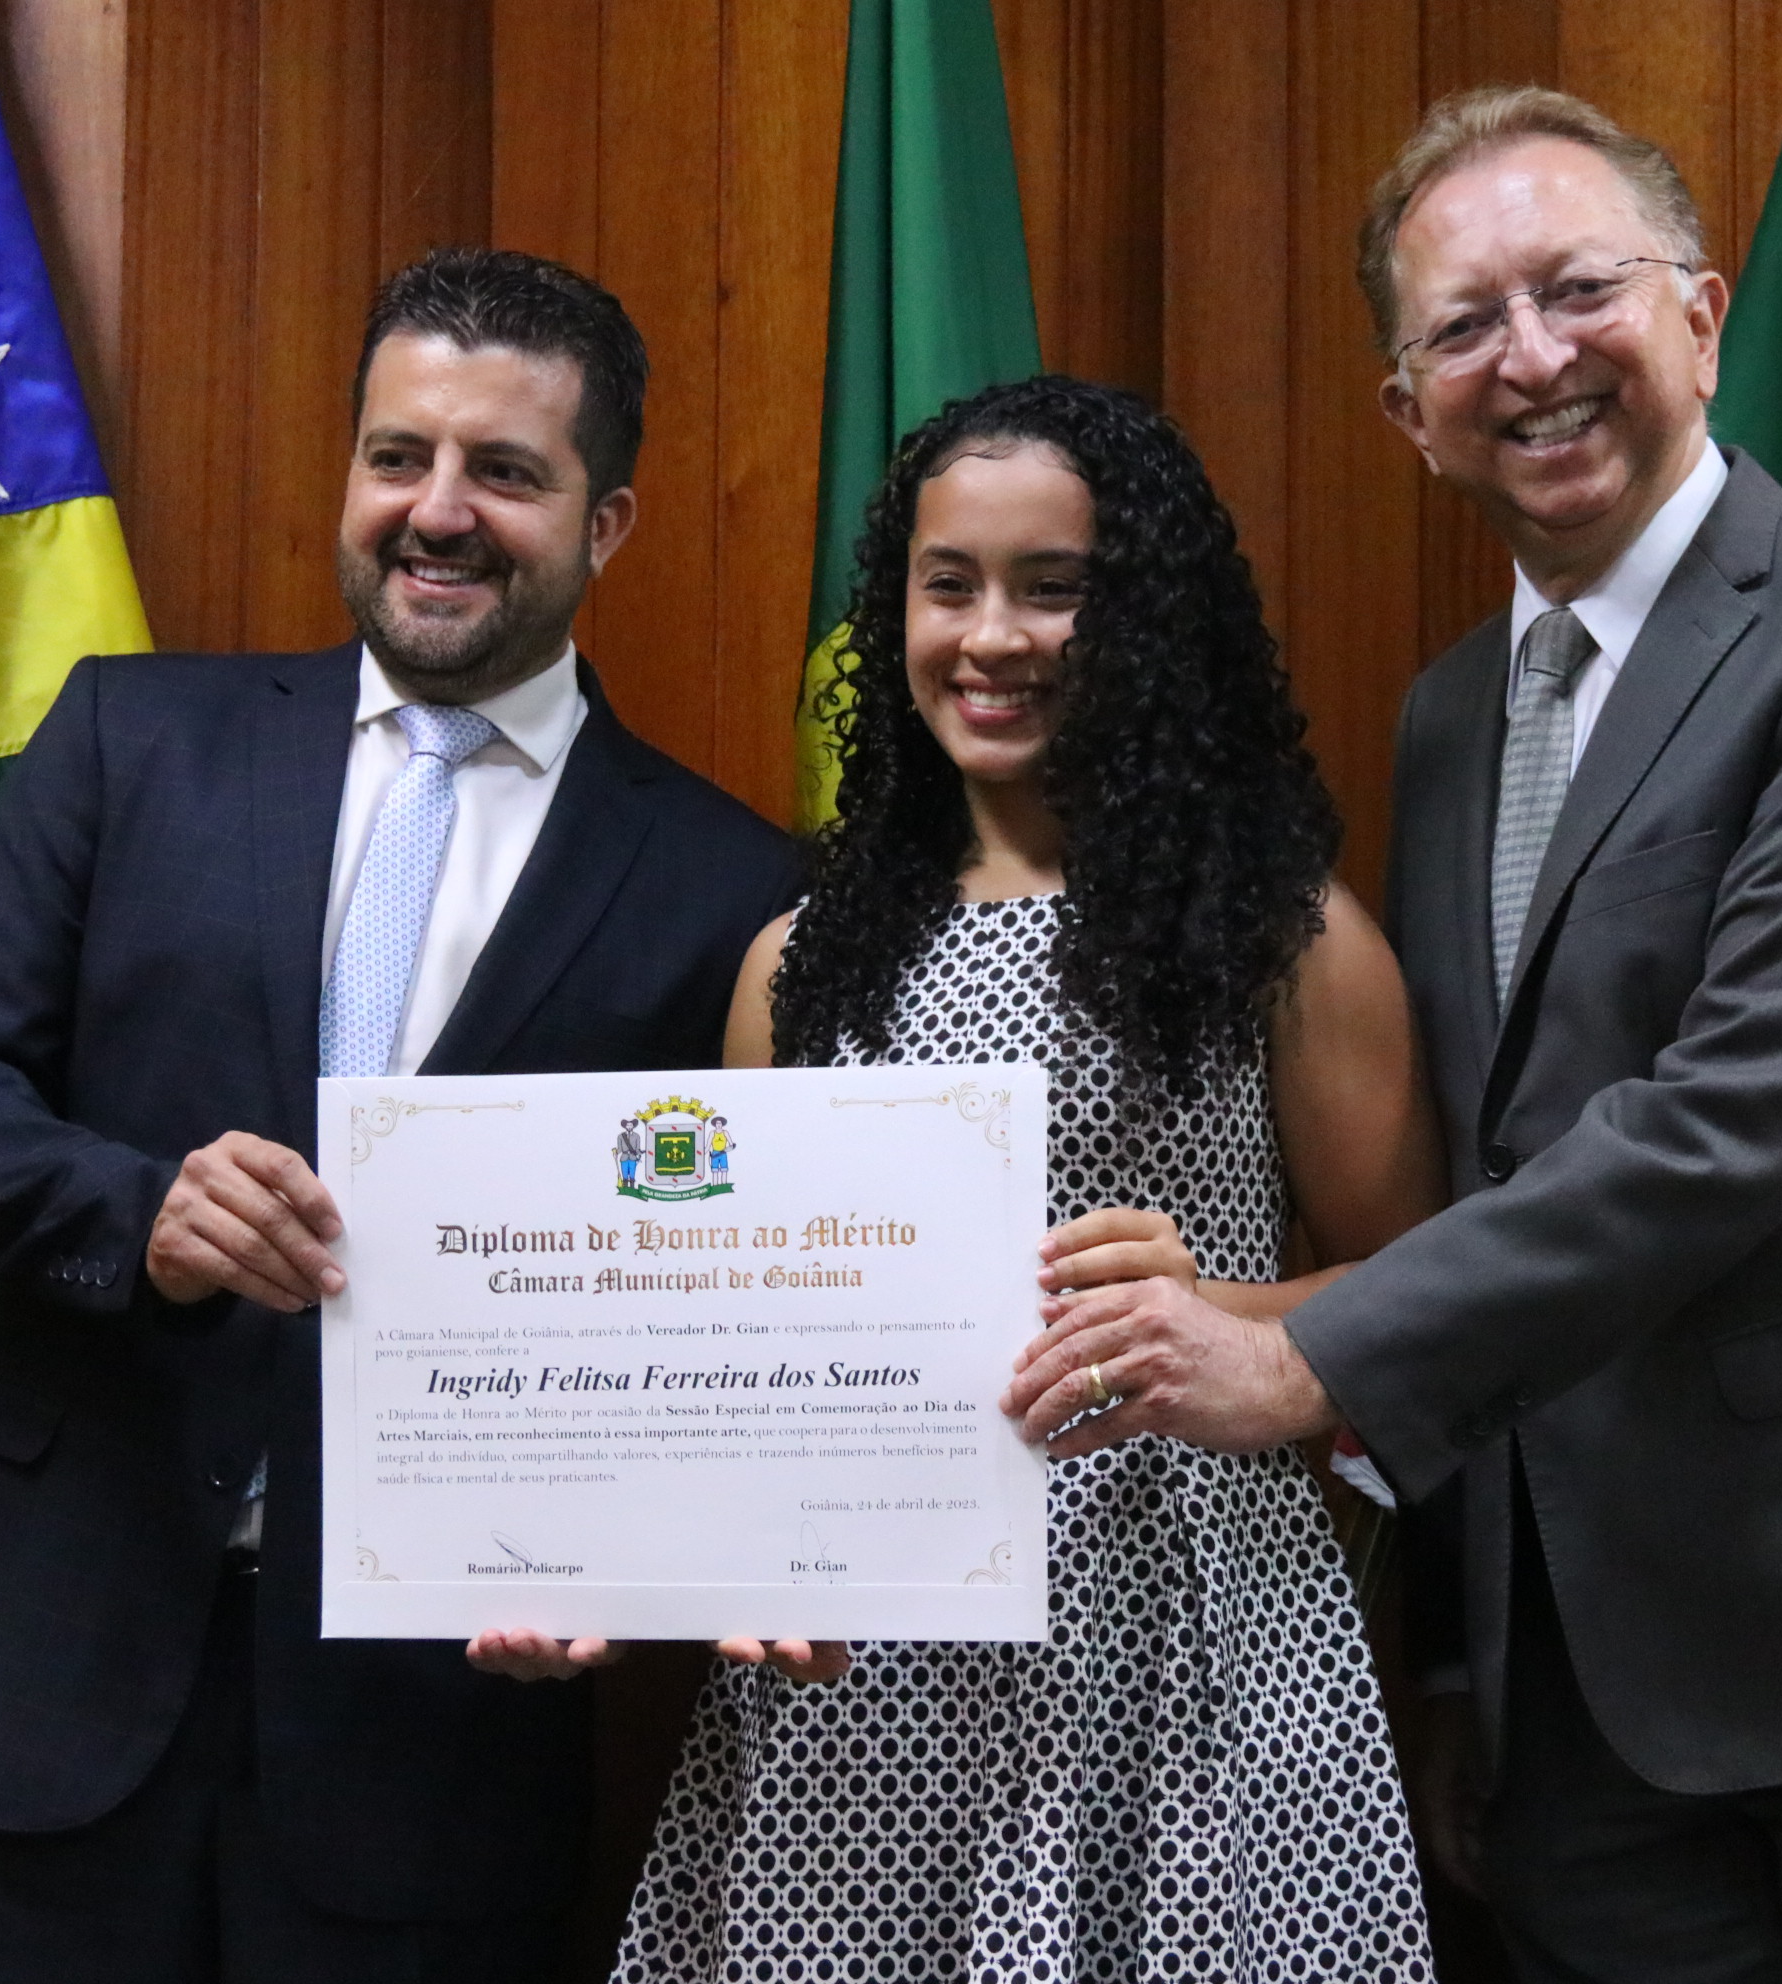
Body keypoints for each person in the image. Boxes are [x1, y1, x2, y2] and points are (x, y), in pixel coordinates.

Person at [1001, 87, 1782, 1981]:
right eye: (1465, 327)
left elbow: (1736, 1118)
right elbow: (1492, 1173)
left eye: (1580, 288)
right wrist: (1447, 1646)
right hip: (1592, 1707)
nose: (1533, 356)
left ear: (1702, 319)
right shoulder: (1448, 721)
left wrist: (1301, 1357)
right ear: (1409, 415)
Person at [0, 246, 801, 1982]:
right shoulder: (134, 738)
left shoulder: (726, 885)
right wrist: (140, 1215)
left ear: (608, 523)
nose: (438, 512)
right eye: (398, 456)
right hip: (42, 1679)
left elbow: (712, 1307)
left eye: (505, 472)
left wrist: (618, 1567)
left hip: (429, 1751)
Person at [611, 375, 1446, 1980]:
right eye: (950, 585)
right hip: (867, 1682)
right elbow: (743, 1358)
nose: (992, 637)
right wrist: (668, 1553)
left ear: (1145, 617)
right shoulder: (798, 965)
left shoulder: (1283, 936)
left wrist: (1213, 1313)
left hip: (1185, 1648)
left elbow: (1430, 1296)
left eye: (1053, 588)